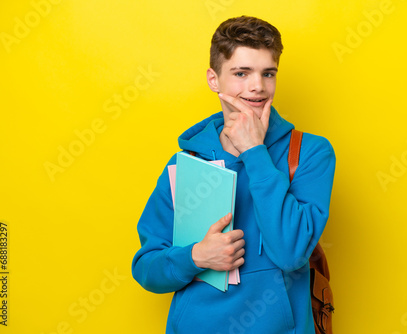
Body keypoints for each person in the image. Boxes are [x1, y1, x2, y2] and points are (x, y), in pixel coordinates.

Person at [132, 15, 336, 334]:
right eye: (241, 73)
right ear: (214, 80)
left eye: (267, 73)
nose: (257, 86)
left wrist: (255, 152)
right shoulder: (184, 163)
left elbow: (290, 252)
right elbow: (147, 268)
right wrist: (196, 256)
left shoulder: (310, 152)